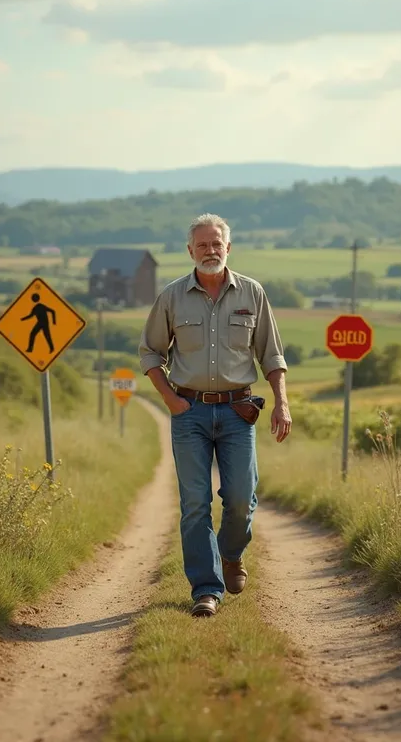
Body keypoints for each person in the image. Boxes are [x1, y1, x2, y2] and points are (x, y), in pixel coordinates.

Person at [139, 213, 292, 617]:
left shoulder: (253, 294)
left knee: (241, 498)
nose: (210, 250)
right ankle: (206, 590)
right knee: (195, 503)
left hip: (238, 412)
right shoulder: (171, 296)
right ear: (191, 251)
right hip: (188, 413)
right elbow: (151, 352)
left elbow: (272, 355)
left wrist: (282, 402)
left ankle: (230, 555)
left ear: (229, 247)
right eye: (202, 245)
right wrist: (171, 400)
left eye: (217, 243)